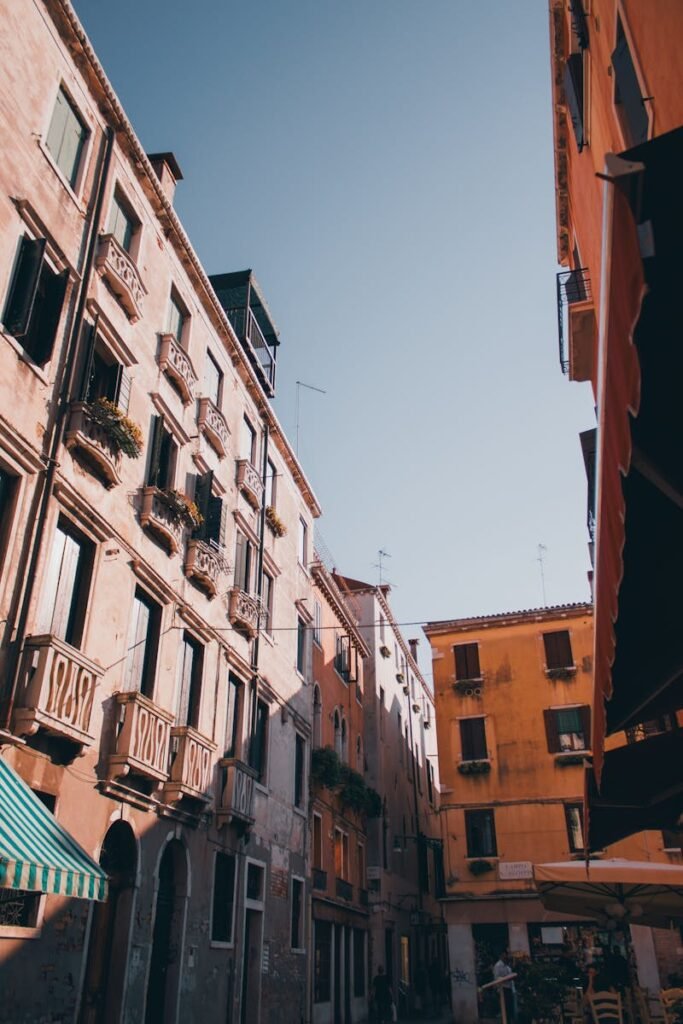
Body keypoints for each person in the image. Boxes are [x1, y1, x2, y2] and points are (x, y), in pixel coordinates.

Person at [493, 949, 517, 1023]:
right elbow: (497, 978)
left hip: (510, 989)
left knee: (510, 1009)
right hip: (503, 989)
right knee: (505, 1009)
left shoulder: (507, 966)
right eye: (505, 954)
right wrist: (506, 979)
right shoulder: (498, 966)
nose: (506, 956)